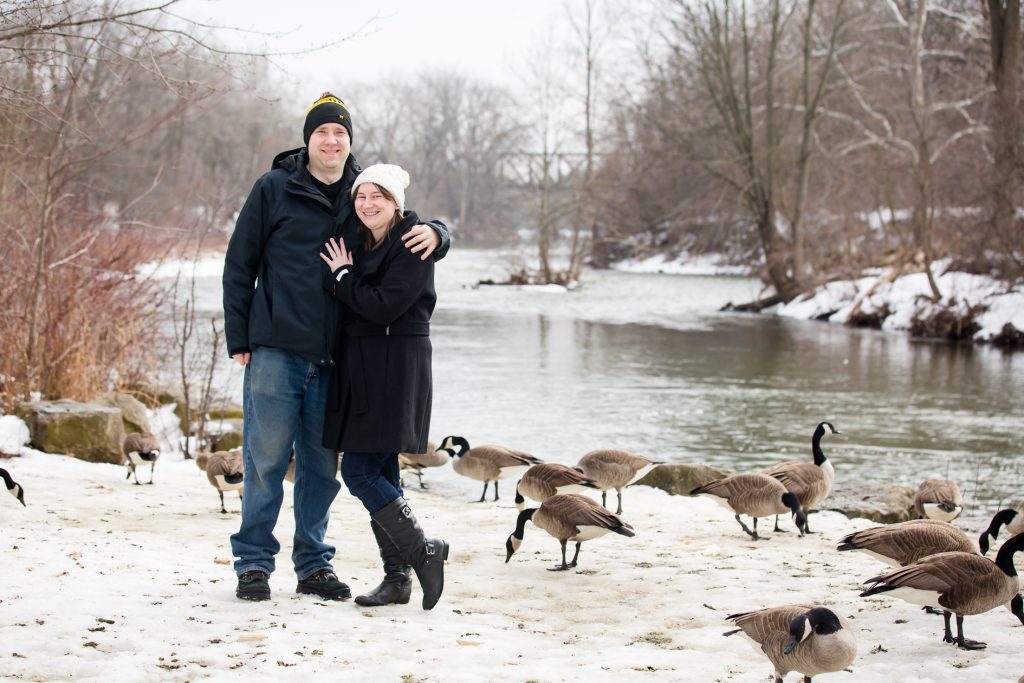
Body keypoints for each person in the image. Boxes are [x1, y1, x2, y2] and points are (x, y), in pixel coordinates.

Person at [222, 93, 450, 602]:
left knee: (322, 471)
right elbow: (240, 264)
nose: (331, 140)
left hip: (338, 360)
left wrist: (440, 232)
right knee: (265, 463)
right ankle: (254, 565)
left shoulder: (362, 191)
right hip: (276, 349)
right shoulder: (274, 188)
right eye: (322, 132)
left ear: (350, 142)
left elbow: (403, 227)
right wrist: (239, 335)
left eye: (340, 133)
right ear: (308, 139)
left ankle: (313, 566)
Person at [319, 163, 448, 611]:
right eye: (361, 197)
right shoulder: (364, 240)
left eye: (379, 196)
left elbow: (383, 306)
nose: (368, 204)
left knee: (358, 471)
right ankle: (398, 579)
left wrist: (342, 278)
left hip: (396, 366)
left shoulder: (413, 242)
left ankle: (423, 550)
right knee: (384, 473)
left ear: (396, 203)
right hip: (364, 365)